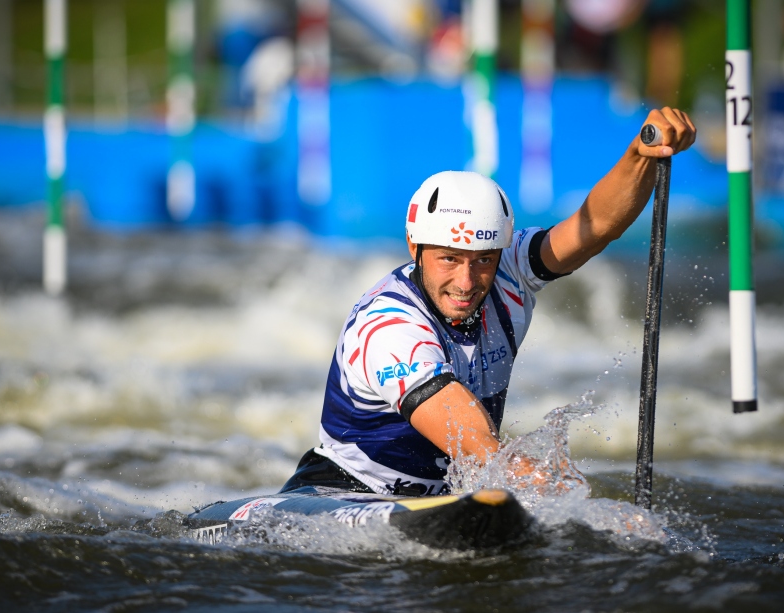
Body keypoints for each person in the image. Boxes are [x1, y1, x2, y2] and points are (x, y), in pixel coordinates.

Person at [279, 107, 697, 497]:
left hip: (443, 496)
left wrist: (639, 155)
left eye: (483, 260)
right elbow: (474, 442)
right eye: (448, 259)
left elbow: (597, 226)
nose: (466, 281)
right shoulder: (389, 328)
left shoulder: (509, 268)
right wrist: (574, 505)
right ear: (414, 246)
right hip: (342, 491)